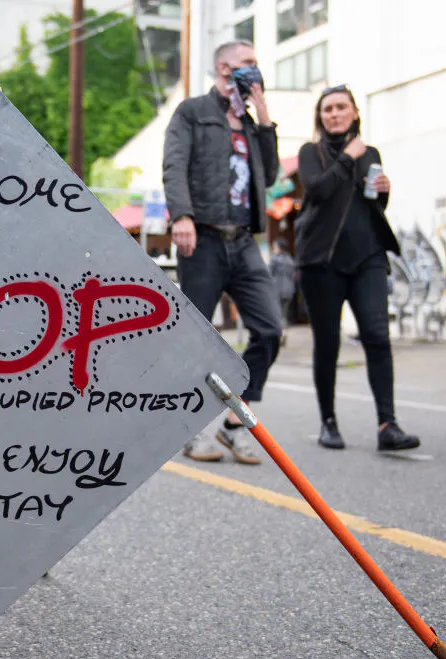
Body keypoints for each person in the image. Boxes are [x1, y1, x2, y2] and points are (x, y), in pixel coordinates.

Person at [163, 40, 281, 465]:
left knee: (270, 330)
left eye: (256, 64)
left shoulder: (250, 123)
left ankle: (233, 424)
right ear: (224, 68)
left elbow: (270, 175)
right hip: (204, 239)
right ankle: (190, 430)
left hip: (243, 241)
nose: (254, 70)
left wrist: (264, 119)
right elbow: (174, 164)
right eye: (248, 63)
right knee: (198, 339)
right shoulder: (193, 111)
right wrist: (182, 216)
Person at [294, 85, 420, 452]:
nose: (334, 114)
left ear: (354, 113)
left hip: (367, 258)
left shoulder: (371, 153)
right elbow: (319, 190)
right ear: (320, 117)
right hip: (322, 262)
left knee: (378, 337)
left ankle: (388, 425)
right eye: (327, 109)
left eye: (341, 107)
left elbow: (369, 204)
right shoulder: (310, 153)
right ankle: (328, 423)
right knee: (328, 343)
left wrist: (383, 190)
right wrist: (348, 157)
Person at [268, 238, 296, 345]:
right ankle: (284, 332)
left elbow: (268, 274)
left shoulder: (274, 260)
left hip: (277, 290)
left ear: (279, 248)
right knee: (284, 314)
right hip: (288, 291)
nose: (273, 249)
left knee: (276, 314)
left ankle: (279, 335)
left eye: (274, 247)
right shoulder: (290, 260)